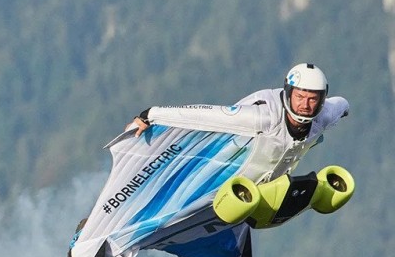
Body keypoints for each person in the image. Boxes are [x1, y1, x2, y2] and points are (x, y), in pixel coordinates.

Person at [128, 63, 349, 184]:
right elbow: (206, 116)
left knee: (314, 187)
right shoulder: (262, 117)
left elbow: (342, 104)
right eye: (300, 97)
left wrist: (345, 111)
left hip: (267, 183)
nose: (305, 105)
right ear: (289, 93)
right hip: (222, 174)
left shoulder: (325, 115)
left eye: (313, 99)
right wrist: (151, 114)